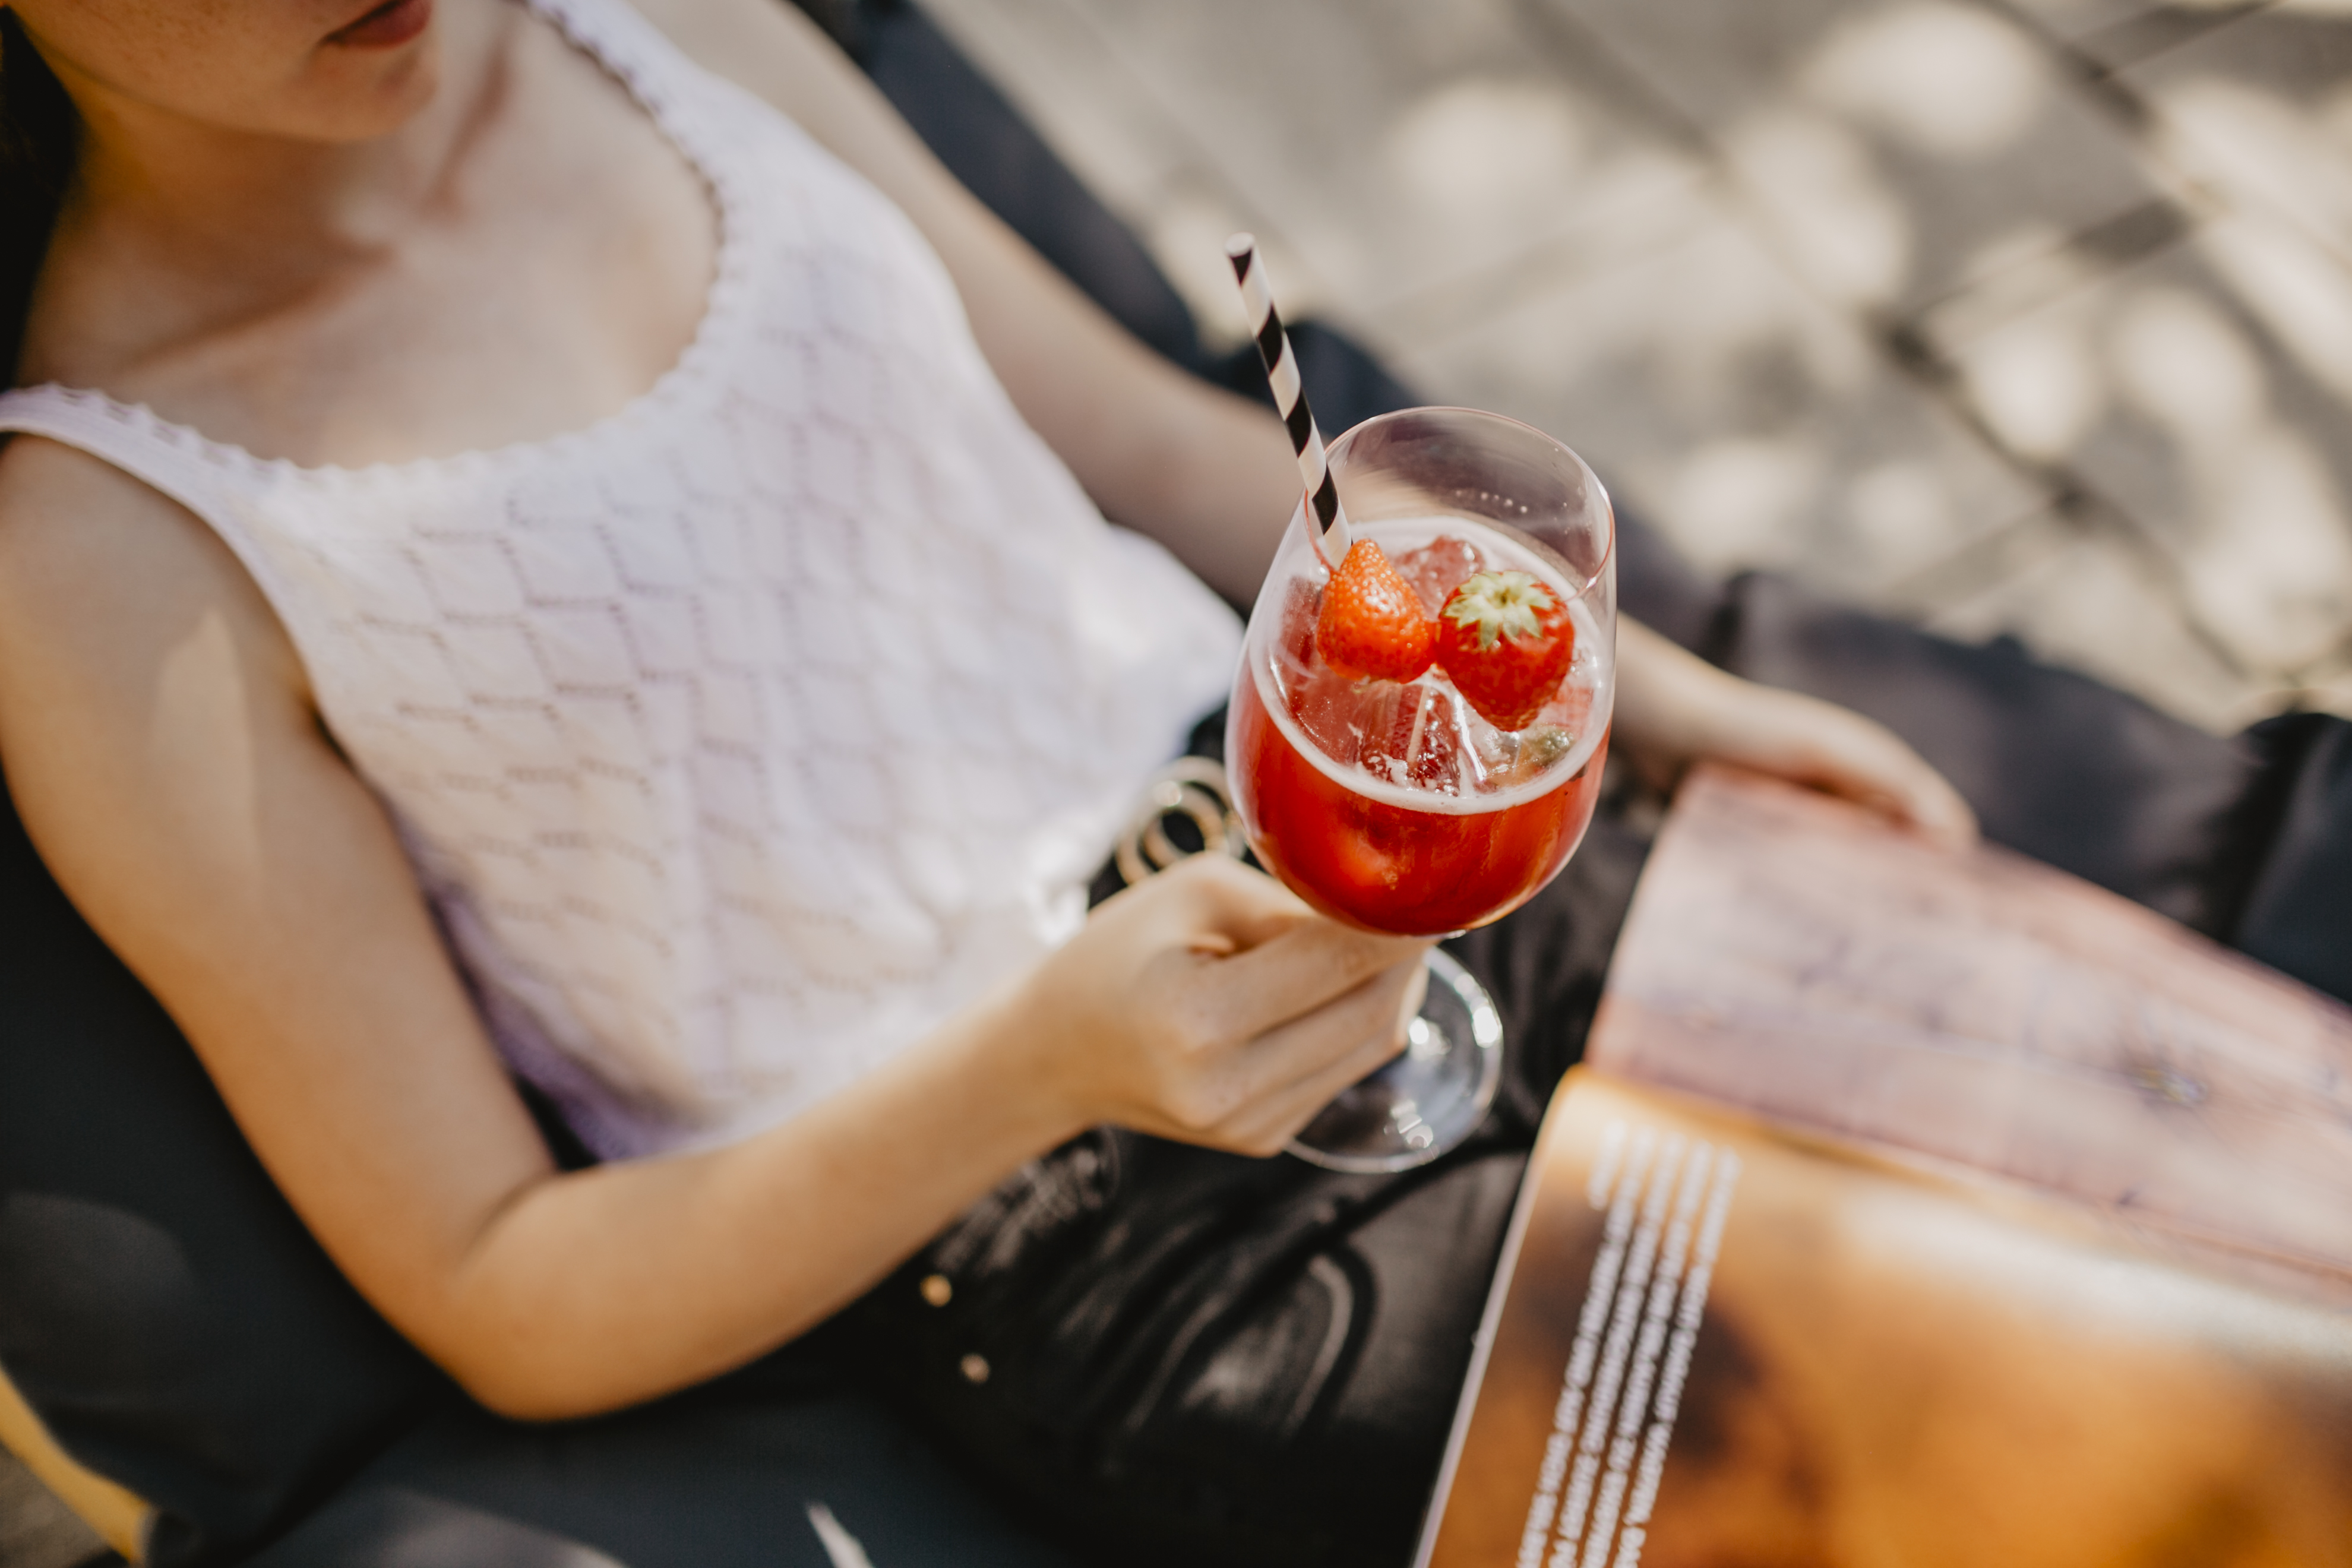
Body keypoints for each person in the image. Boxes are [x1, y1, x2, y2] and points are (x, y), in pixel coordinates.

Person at [0, 0, 2034, 1562]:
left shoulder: (667, 31)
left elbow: (1142, 445)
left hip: (1370, 820)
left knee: (2074, 1146)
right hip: (1101, 1215)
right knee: (1956, 1440)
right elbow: (496, 1284)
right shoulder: (98, 563)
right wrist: (1046, 1062)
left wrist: (1653, 696)